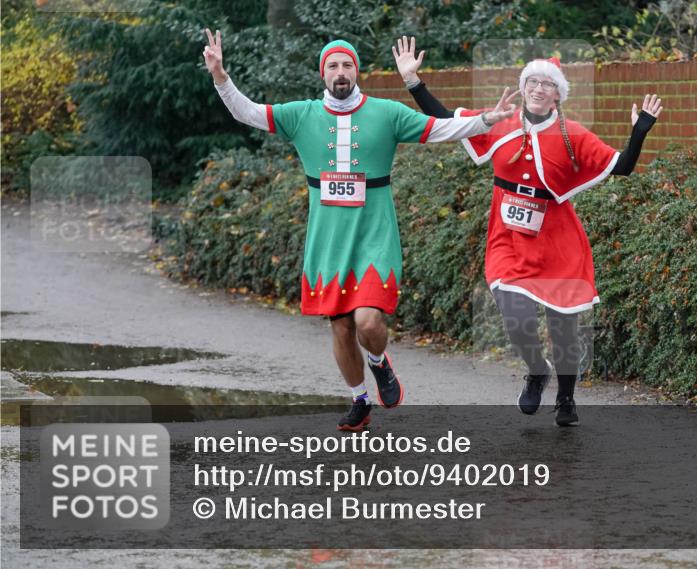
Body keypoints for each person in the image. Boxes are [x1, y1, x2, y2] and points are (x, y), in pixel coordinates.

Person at [202, 30, 515, 431]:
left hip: (374, 234)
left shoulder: (386, 113)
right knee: (341, 325)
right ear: (323, 74)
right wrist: (220, 76)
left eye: (347, 64)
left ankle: (379, 362)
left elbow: (440, 129)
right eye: (332, 65)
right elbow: (247, 112)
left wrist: (486, 119)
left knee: (367, 322)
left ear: (357, 71)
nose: (340, 71)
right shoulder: (301, 115)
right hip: (327, 238)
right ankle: (359, 400)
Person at [393, 37, 662, 426]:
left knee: (564, 326)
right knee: (515, 318)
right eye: (532, 82)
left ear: (558, 94)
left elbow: (621, 166)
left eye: (547, 84)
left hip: (558, 239)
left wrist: (640, 132)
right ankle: (537, 369)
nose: (539, 89)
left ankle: (566, 399)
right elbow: (446, 120)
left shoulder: (575, 135)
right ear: (523, 88)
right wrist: (413, 82)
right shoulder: (498, 119)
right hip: (508, 239)